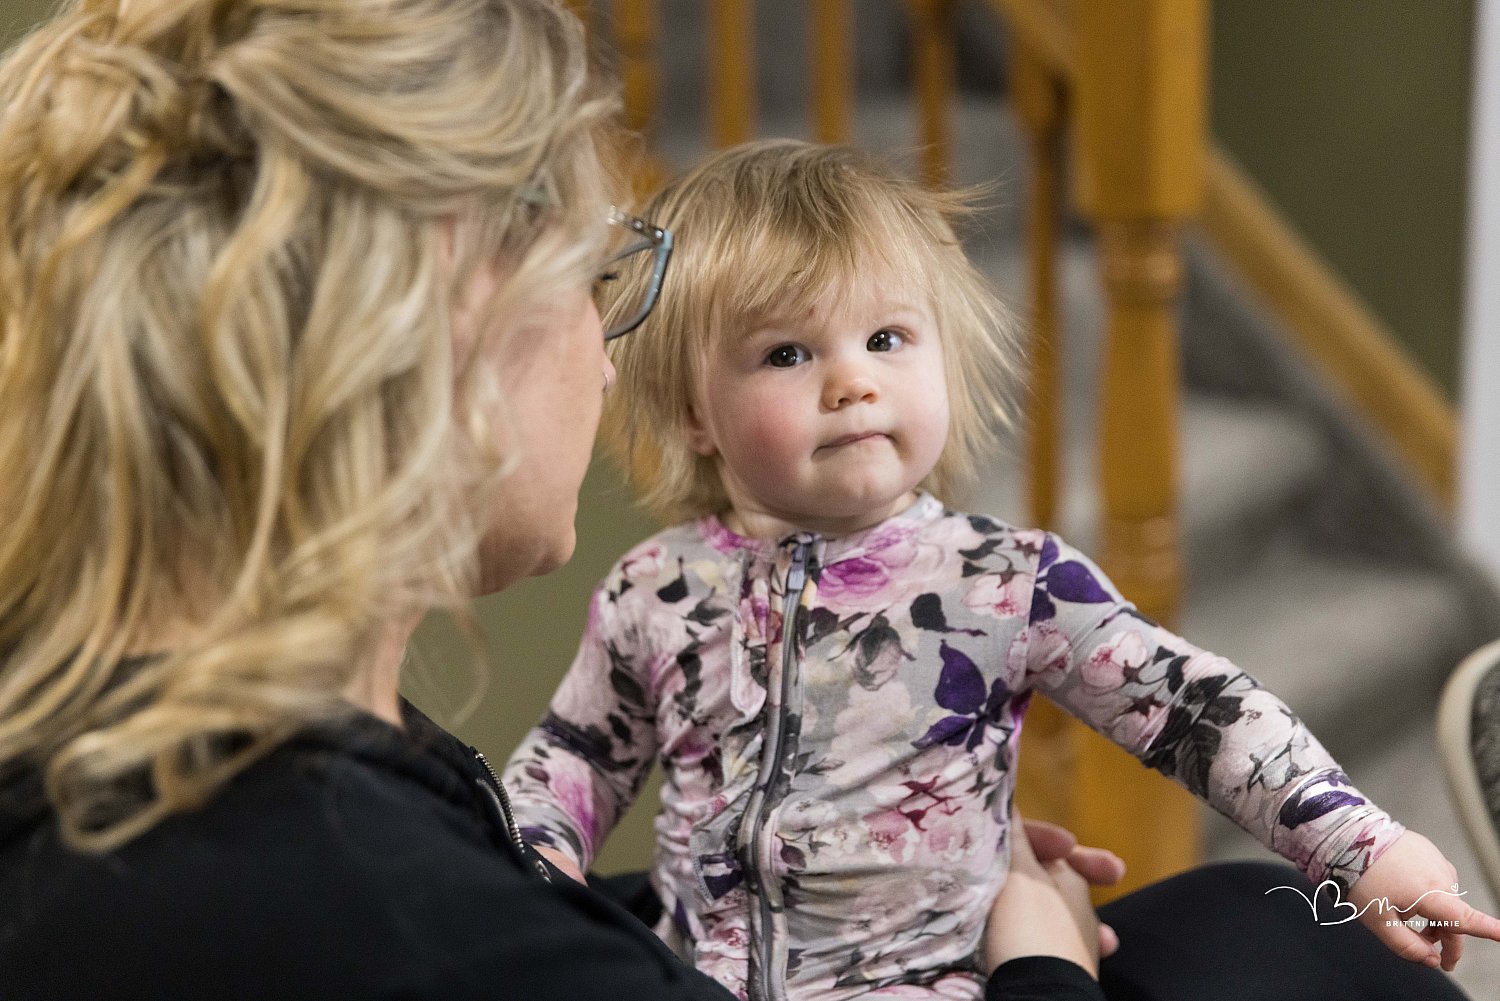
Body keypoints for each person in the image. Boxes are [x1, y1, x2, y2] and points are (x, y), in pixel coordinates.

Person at [0, 2, 1119, 999]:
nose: (605, 362)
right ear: (451, 307)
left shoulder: (102, 769)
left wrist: (848, 866)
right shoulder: (420, 929)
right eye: (594, 273)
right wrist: (1040, 961)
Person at [502, 139, 1500, 1001]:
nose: (853, 380)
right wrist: (527, 873)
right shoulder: (652, 590)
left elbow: (1199, 709)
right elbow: (572, 759)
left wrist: (1361, 846)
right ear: (690, 411)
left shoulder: (1004, 581)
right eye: (787, 353)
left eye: (886, 337)